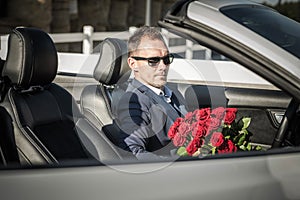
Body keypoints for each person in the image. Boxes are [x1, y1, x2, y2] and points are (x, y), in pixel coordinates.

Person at [115, 26, 187, 160]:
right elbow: (131, 151)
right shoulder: (134, 101)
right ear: (133, 63)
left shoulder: (170, 91)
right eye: (153, 60)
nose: (163, 66)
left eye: (166, 59)